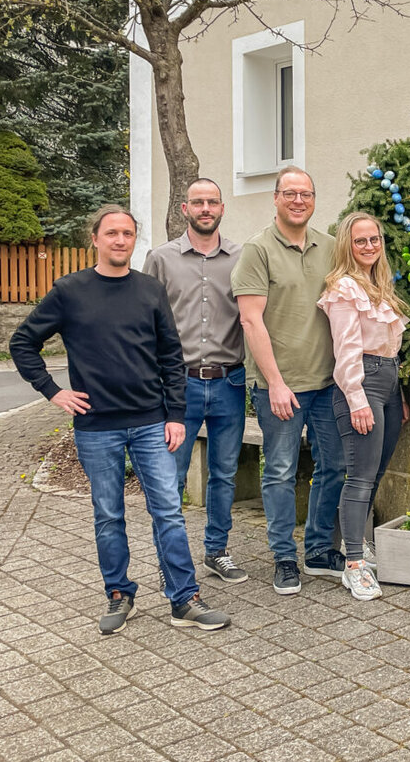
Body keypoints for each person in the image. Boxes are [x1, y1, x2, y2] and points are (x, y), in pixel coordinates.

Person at [10, 205, 230, 634]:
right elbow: (23, 343)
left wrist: (176, 415)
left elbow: (171, 355)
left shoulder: (149, 290)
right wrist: (53, 392)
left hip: (151, 422)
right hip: (97, 428)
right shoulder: (69, 291)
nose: (120, 240)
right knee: (108, 515)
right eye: (111, 233)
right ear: (94, 238)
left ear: (134, 240)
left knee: (168, 511)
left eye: (127, 233)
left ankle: (184, 599)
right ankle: (119, 594)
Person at [231, 166, 346, 595]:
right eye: (290, 193)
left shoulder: (332, 247)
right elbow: (250, 320)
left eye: (306, 194)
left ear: (314, 200)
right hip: (279, 386)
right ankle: (283, 556)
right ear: (275, 198)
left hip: (326, 384)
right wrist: (276, 383)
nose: (299, 200)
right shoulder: (258, 250)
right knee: (279, 471)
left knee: (334, 467)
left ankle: (317, 550)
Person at [142, 178, 248, 587]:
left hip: (229, 382)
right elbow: (146, 320)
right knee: (171, 474)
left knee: (223, 474)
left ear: (222, 208)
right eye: (197, 202)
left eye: (212, 202)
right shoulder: (161, 258)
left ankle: (217, 551)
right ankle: (173, 556)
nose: (205, 208)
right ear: (185, 208)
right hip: (177, 385)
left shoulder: (241, 257)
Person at [317, 212, 409, 601]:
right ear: (347, 245)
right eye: (360, 241)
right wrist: (357, 400)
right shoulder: (344, 289)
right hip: (362, 383)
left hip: (387, 382)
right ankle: (353, 564)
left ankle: (359, 546)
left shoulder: (378, 285)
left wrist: (398, 395)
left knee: (375, 473)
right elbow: (347, 350)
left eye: (374, 239)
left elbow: (390, 350)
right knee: (359, 476)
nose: (369, 246)